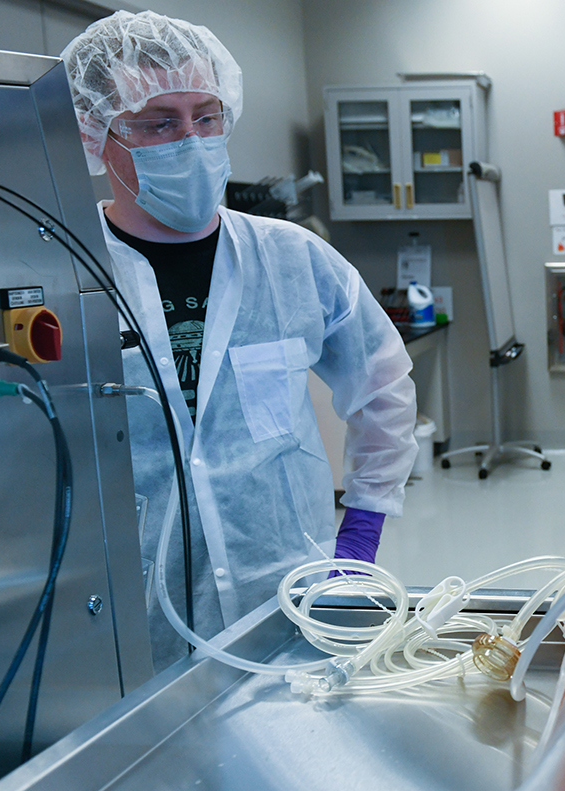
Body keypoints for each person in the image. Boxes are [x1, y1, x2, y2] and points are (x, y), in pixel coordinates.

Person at [62, 11, 418, 668]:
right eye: (158, 121)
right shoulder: (60, 267)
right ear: (96, 132)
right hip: (125, 609)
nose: (190, 140)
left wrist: (361, 534)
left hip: (286, 589)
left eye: (206, 115)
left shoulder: (293, 260)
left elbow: (383, 386)